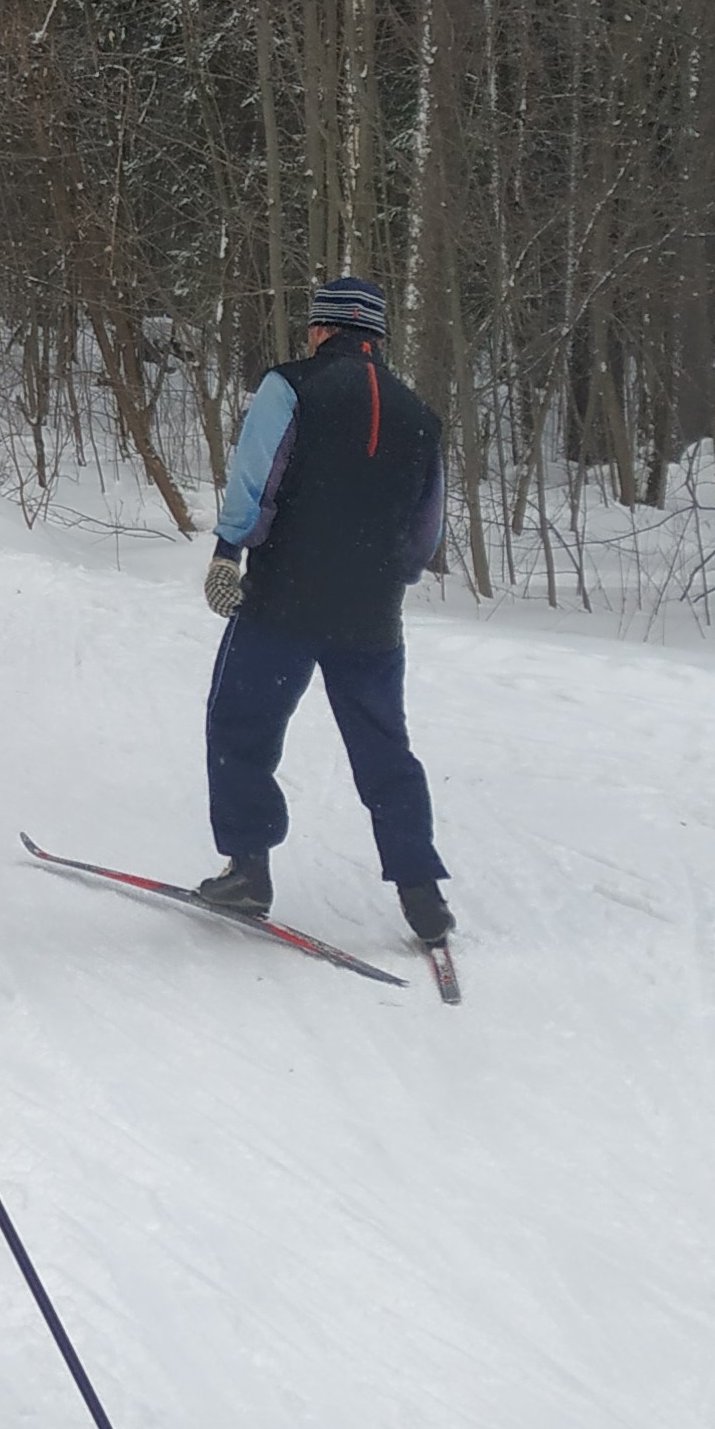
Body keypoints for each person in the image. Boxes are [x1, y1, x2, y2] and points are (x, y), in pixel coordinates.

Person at [196, 274, 454, 947]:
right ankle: (422, 894)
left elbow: (257, 476)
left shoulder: (291, 386)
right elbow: (427, 532)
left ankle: (248, 870)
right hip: (373, 617)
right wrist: (386, 576)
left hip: (282, 600)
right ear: (376, 337)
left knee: (239, 726)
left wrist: (228, 552)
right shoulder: (421, 416)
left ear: (322, 329)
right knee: (384, 751)